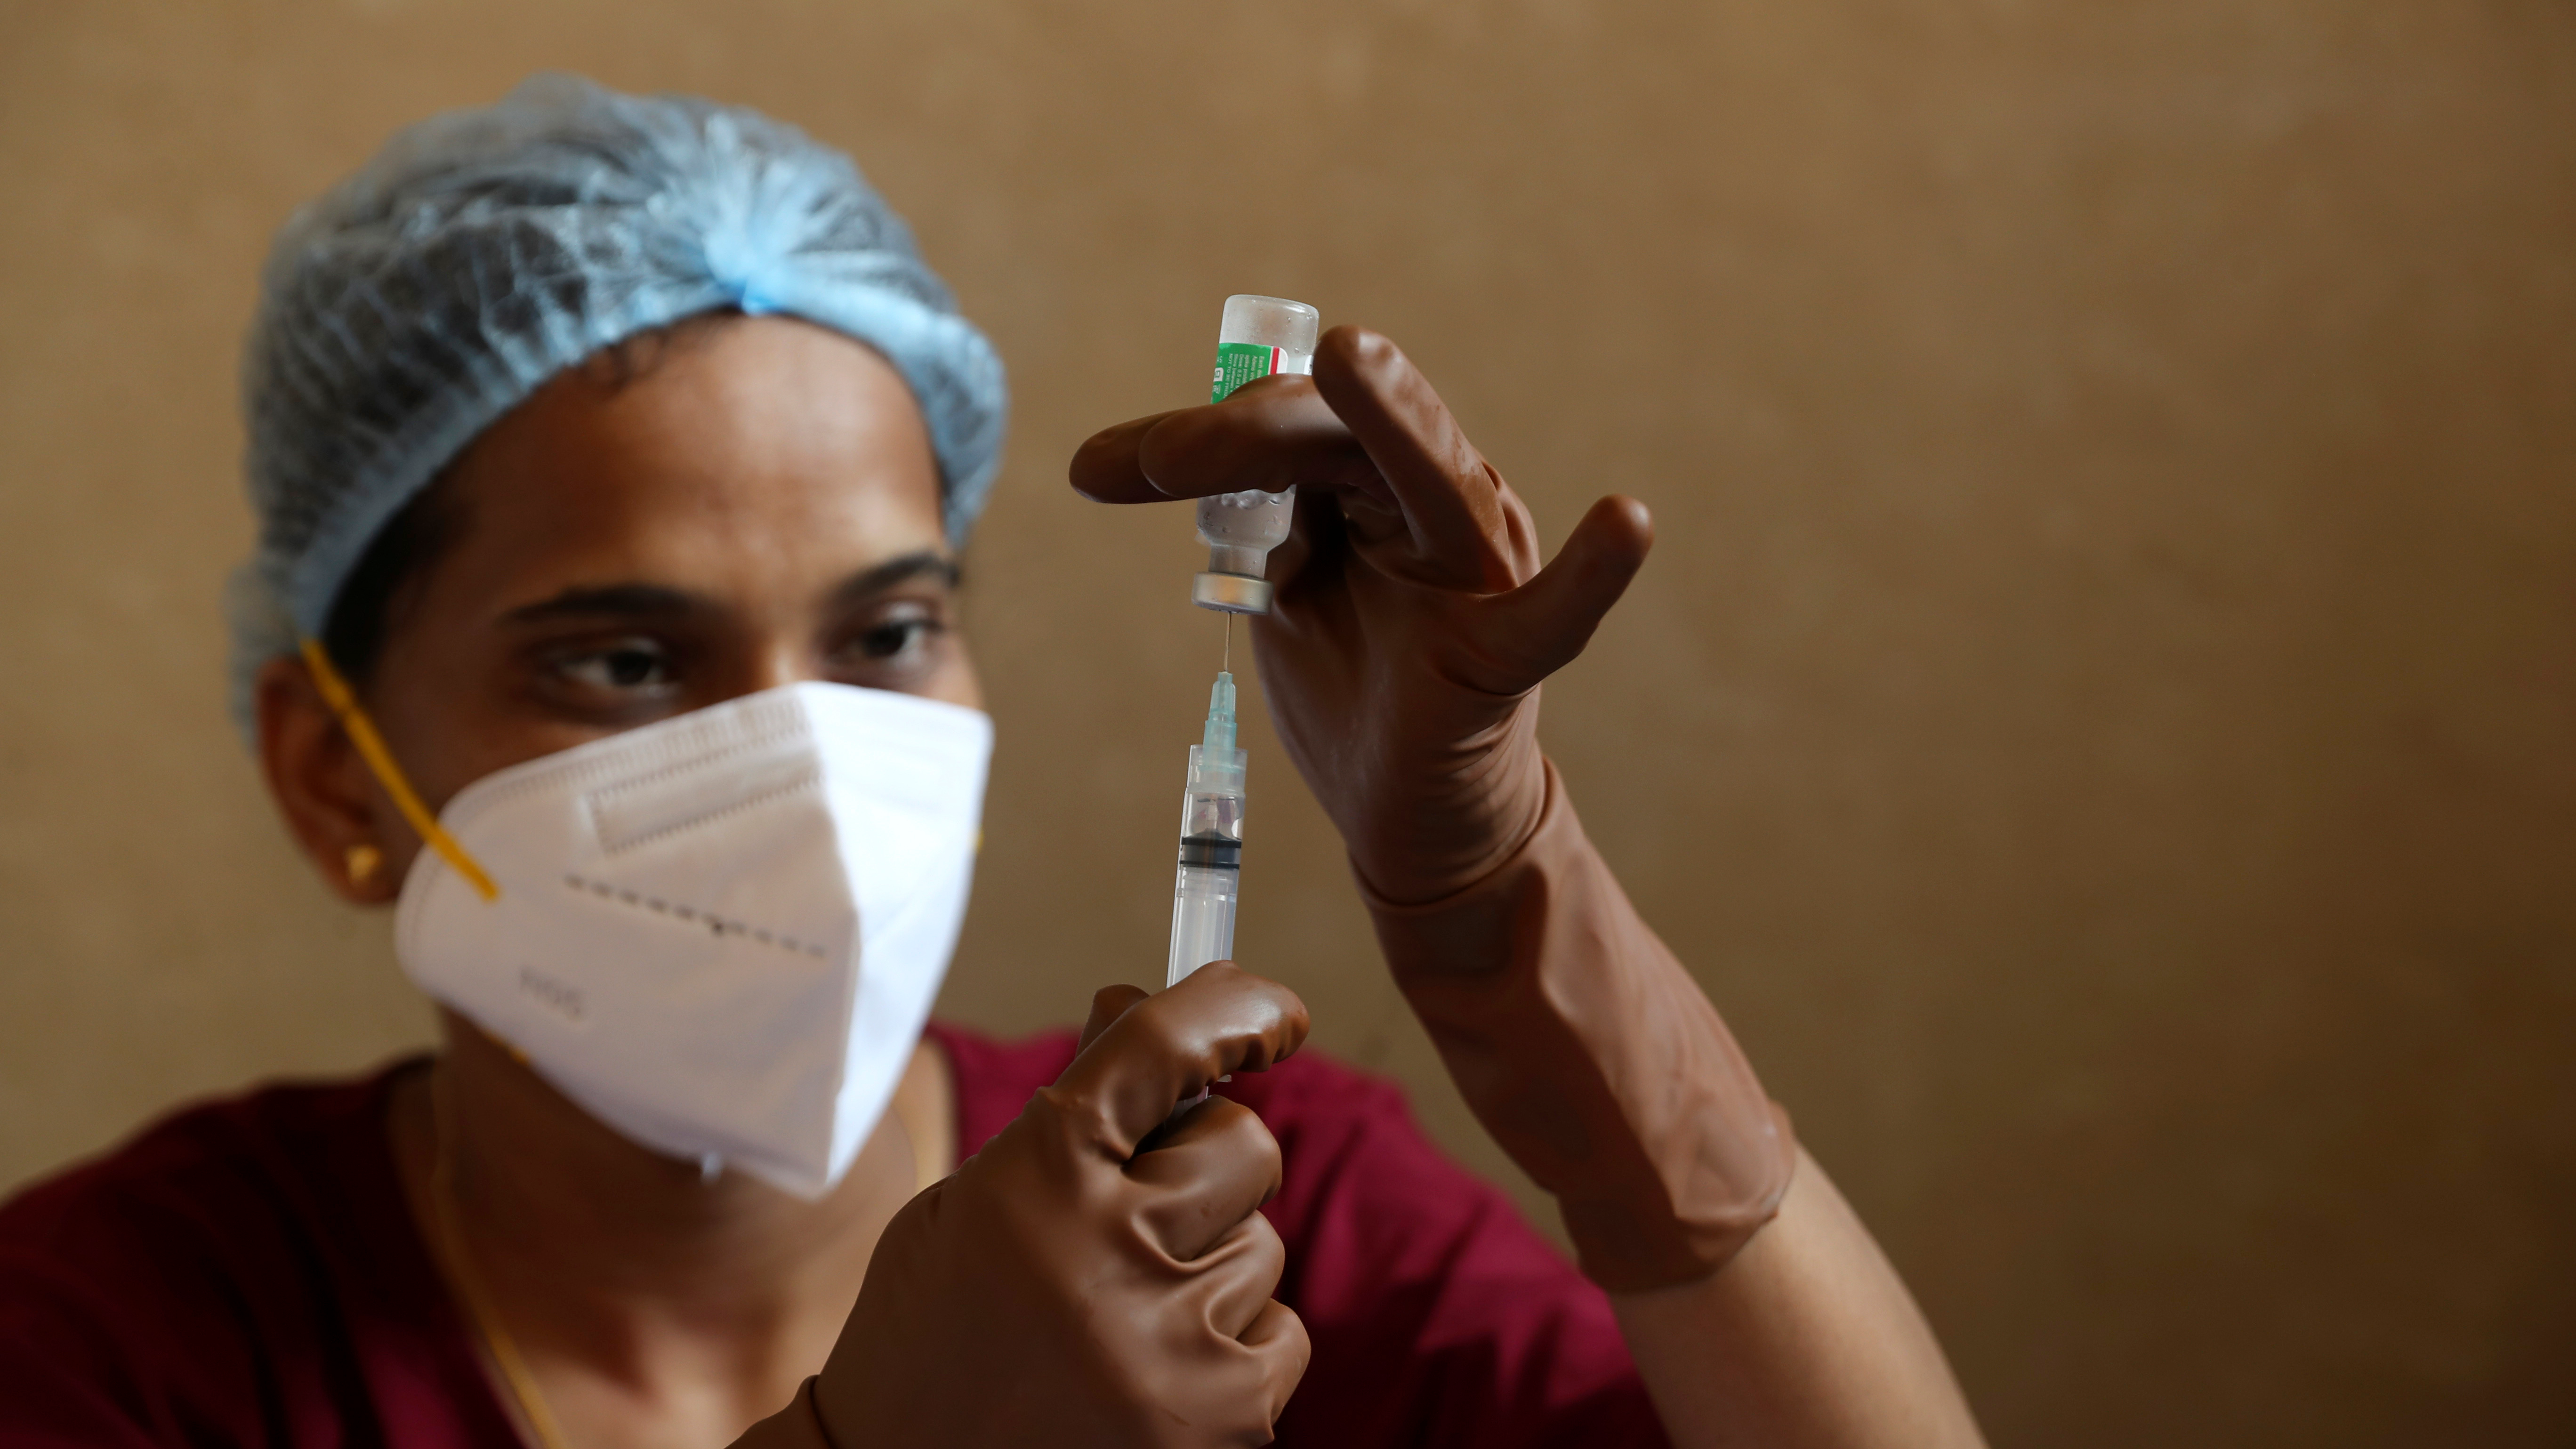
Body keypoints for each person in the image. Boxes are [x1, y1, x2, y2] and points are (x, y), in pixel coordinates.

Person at [0, 75, 1982, 1449]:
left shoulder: (1258, 1220)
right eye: (624, 655)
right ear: (335, 774)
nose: (807, 758)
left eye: (884, 631)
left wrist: (1516, 925)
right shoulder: (126, 1337)